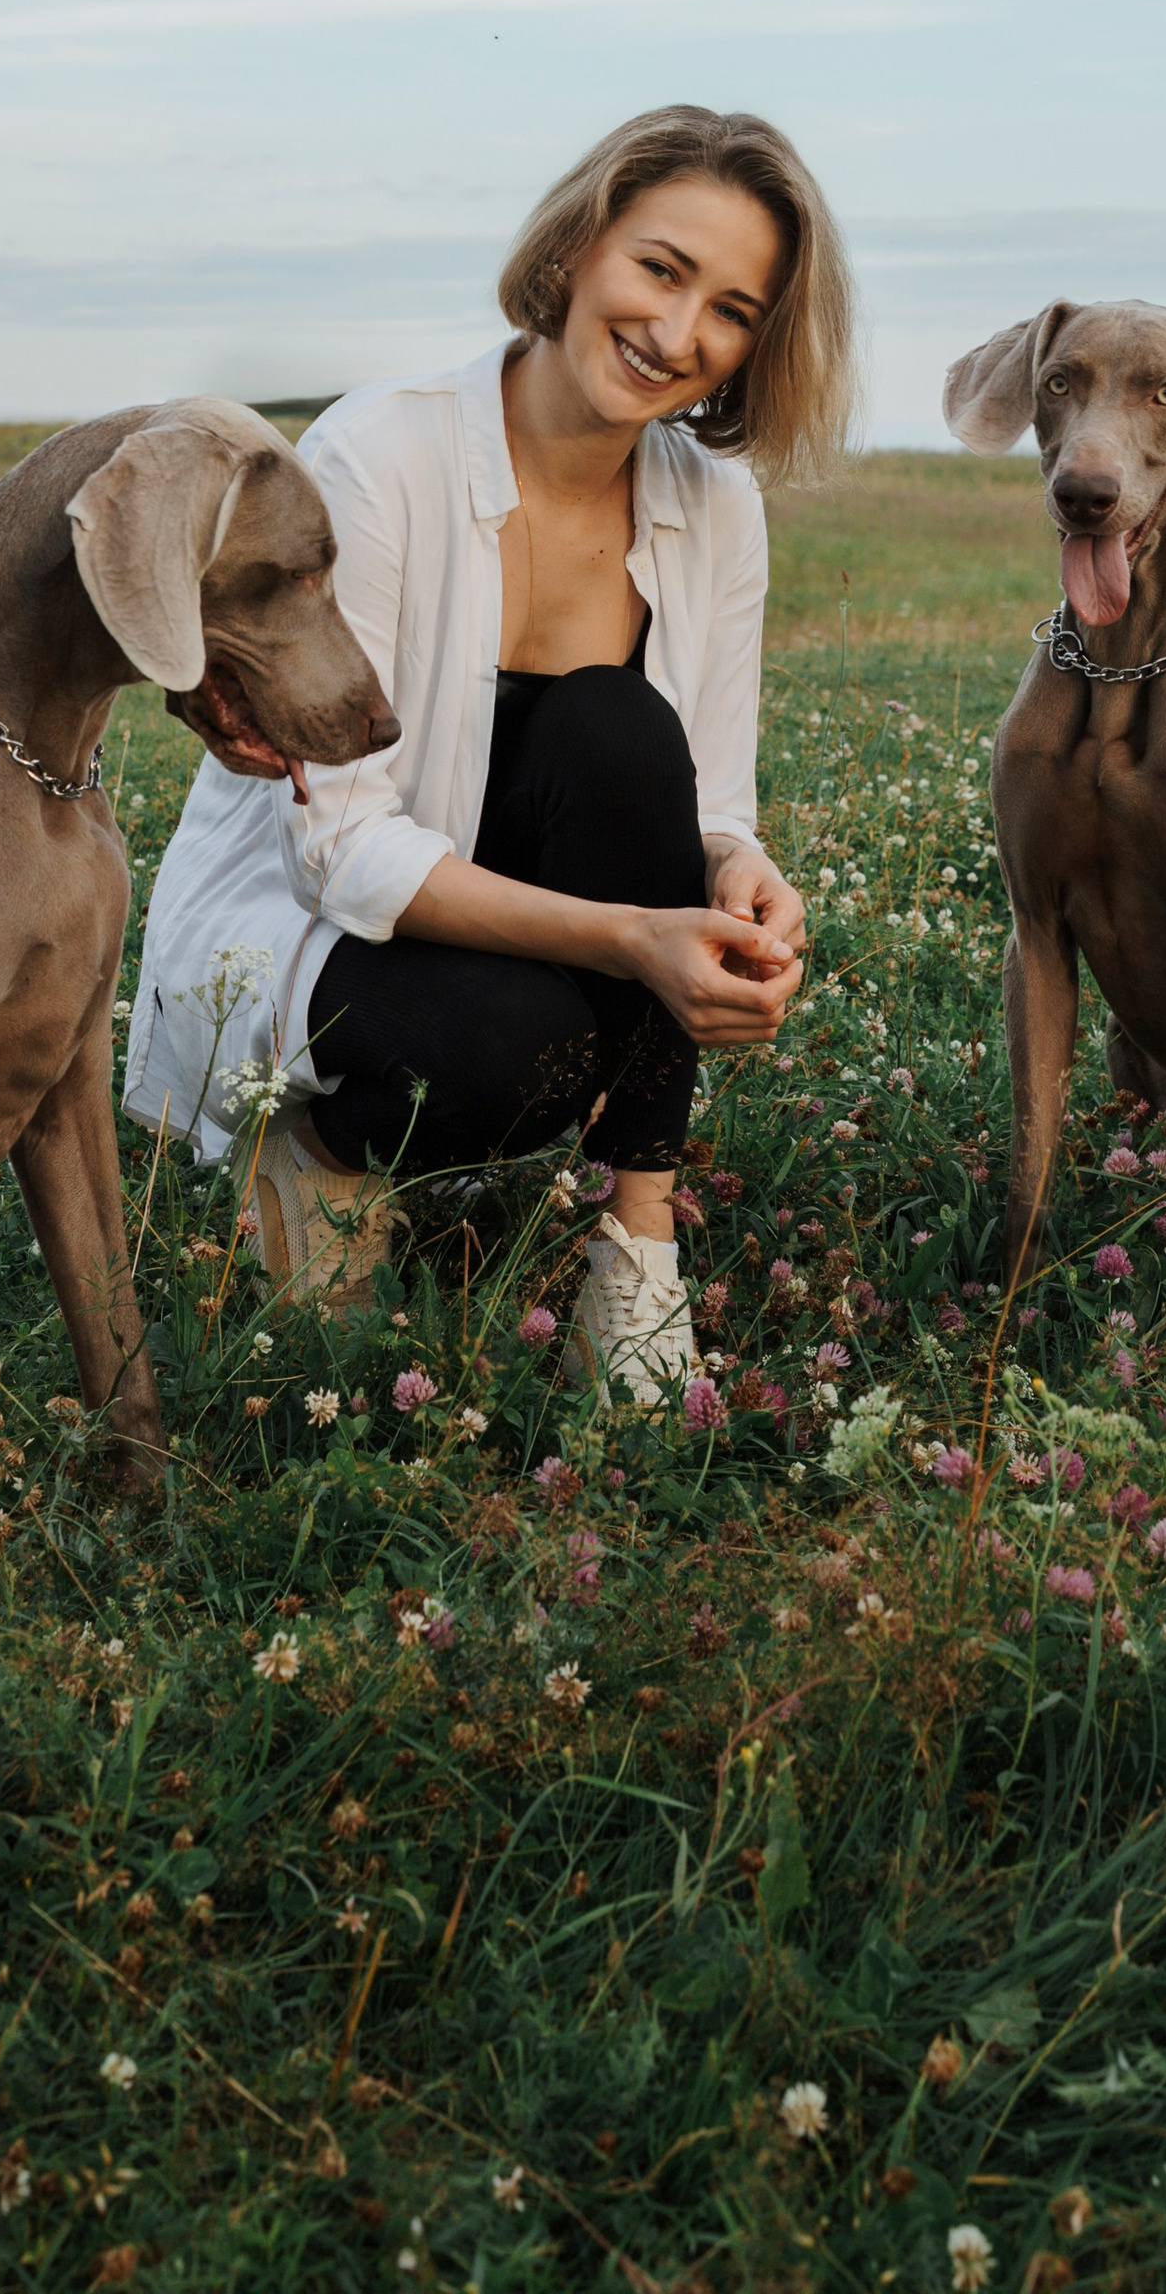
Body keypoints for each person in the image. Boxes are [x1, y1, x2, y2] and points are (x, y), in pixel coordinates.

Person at [124, 102, 858, 1403]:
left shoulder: (716, 507)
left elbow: (709, 803)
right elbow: (340, 849)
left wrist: (740, 875)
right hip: (307, 919)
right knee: (525, 1042)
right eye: (661, 268)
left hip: (506, 911)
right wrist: (634, 942)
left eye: (733, 310)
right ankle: (319, 1146)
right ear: (580, 247)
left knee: (620, 731)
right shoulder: (378, 454)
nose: (679, 335)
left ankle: (637, 1254)